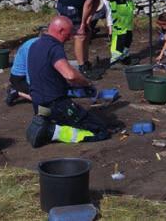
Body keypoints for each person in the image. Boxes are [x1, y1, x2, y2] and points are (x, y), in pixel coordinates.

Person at [25, 16, 110, 148]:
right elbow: (69, 75)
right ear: (60, 30)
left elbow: (46, 73)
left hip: (38, 103)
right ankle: (52, 131)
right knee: (100, 130)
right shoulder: (54, 47)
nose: (70, 37)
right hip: (56, 104)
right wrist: (86, 83)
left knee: (75, 117)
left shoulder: (35, 44)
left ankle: (46, 122)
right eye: (68, 33)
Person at [56, 0, 126, 79]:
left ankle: (86, 62)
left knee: (88, 33)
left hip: (79, 6)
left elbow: (96, 2)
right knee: (80, 36)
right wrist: (83, 24)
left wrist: (88, 20)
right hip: (68, 5)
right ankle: (82, 67)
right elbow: (88, 4)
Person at [5, 36, 39, 106]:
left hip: (28, 76)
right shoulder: (33, 47)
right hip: (20, 78)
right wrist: (34, 88)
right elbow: (30, 71)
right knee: (44, 98)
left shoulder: (41, 43)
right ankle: (15, 91)